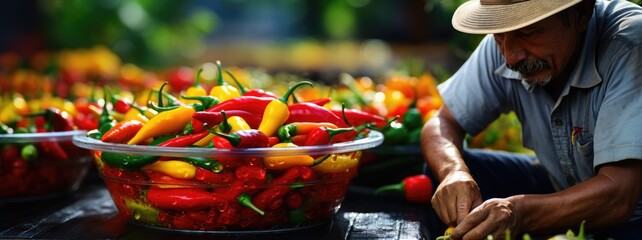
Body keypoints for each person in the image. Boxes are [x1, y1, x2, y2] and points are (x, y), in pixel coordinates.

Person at [420, 0, 642, 239]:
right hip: (561, 183)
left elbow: (619, 196)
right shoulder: (505, 44)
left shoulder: (630, 45)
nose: (510, 55)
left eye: (529, 32)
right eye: (499, 35)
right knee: (445, 182)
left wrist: (520, 214)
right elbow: (442, 122)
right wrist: (453, 171)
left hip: (634, 216)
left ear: (581, 13)